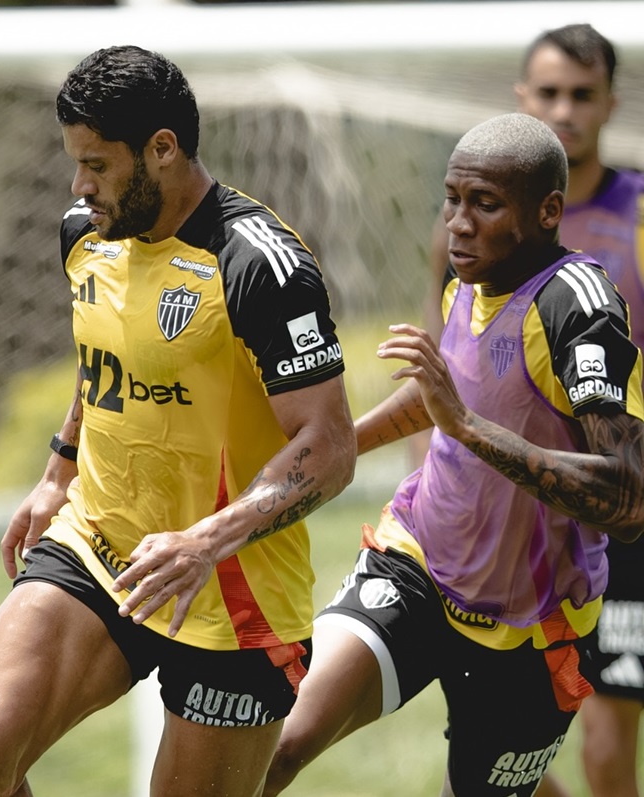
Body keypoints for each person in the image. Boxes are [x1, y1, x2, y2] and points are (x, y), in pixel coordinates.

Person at [0, 45, 357, 796]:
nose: (80, 185)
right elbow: (105, 351)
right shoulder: (84, 234)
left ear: (162, 149)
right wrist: (55, 472)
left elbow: (328, 446)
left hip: (235, 592)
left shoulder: (260, 264)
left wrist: (204, 540)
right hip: (101, 544)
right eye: (76, 162)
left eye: (98, 164)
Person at [263, 112, 644, 797]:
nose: (459, 223)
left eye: (485, 204)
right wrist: (334, 442)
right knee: (276, 740)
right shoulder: (468, 277)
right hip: (419, 568)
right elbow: (443, 402)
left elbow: (627, 494)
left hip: (534, 630)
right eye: (453, 198)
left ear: (547, 211)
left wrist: (465, 426)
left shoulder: (577, 307)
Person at [422, 25, 644, 797]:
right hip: (497, 518)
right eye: (548, 93)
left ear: (612, 103)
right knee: (495, 748)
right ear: (522, 98)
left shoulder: (638, 213)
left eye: (582, 95)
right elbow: (453, 366)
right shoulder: (467, 227)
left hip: (609, 502)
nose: (564, 110)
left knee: (609, 745)